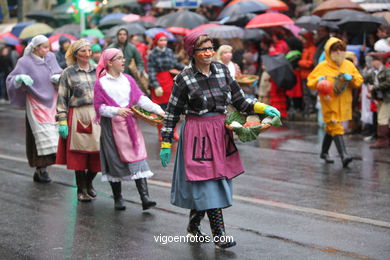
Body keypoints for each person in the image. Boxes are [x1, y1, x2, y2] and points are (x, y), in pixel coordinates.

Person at [159, 32, 280, 249]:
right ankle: (220, 236)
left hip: (219, 131)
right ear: (192, 53)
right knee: (207, 183)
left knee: (207, 184)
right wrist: (166, 141)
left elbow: (240, 101)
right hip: (197, 133)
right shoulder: (184, 78)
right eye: (203, 49)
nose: (208, 53)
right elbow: (172, 113)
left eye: (210, 48)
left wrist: (262, 107)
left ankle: (194, 227)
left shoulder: (223, 71)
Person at [93, 48, 165, 210]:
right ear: (109, 62)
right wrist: (116, 111)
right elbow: (99, 108)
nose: (123, 61)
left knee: (138, 157)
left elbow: (140, 99)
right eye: (119, 58)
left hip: (130, 126)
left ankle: (145, 198)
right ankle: (118, 198)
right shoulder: (101, 83)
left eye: (123, 58)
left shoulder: (128, 80)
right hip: (111, 127)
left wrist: (159, 110)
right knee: (114, 160)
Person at [6, 35, 62, 183]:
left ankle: (46, 167)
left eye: (48, 46)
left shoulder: (51, 57)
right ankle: (40, 169)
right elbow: (11, 79)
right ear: (36, 48)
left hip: (53, 102)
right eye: (44, 47)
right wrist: (19, 79)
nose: (47, 49)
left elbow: (58, 71)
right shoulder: (24, 62)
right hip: (35, 102)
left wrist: (59, 77)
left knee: (53, 136)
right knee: (39, 136)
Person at [56, 39, 101, 202]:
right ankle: (81, 189)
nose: (88, 54)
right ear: (75, 54)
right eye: (84, 51)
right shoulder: (68, 72)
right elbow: (62, 98)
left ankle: (89, 183)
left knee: (98, 153)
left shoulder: (98, 70)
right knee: (79, 155)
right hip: (78, 115)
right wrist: (62, 120)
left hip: (96, 115)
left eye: (90, 50)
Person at [307, 37, 363, 167]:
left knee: (331, 128)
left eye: (341, 49)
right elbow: (310, 82)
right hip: (328, 102)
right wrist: (318, 81)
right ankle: (344, 155)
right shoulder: (322, 66)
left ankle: (324, 152)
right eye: (335, 49)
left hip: (344, 101)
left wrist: (352, 78)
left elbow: (359, 80)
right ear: (329, 51)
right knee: (335, 125)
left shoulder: (349, 65)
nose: (338, 52)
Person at [147, 32, 184, 141]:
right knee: (160, 110)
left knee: (173, 109)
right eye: (161, 40)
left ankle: (174, 131)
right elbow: (151, 71)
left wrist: (187, 67)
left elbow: (175, 64)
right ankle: (161, 132)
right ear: (156, 42)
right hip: (159, 83)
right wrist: (156, 85)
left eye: (165, 40)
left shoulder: (169, 52)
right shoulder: (152, 54)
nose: (163, 42)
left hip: (169, 82)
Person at [365, 52, 390, 148]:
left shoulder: (387, 71)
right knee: (386, 119)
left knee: (382, 118)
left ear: (379, 61)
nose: (372, 62)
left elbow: (388, 82)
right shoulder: (373, 72)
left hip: (387, 99)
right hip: (380, 99)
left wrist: (375, 88)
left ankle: (382, 140)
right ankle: (386, 140)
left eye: (374, 60)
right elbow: (364, 79)